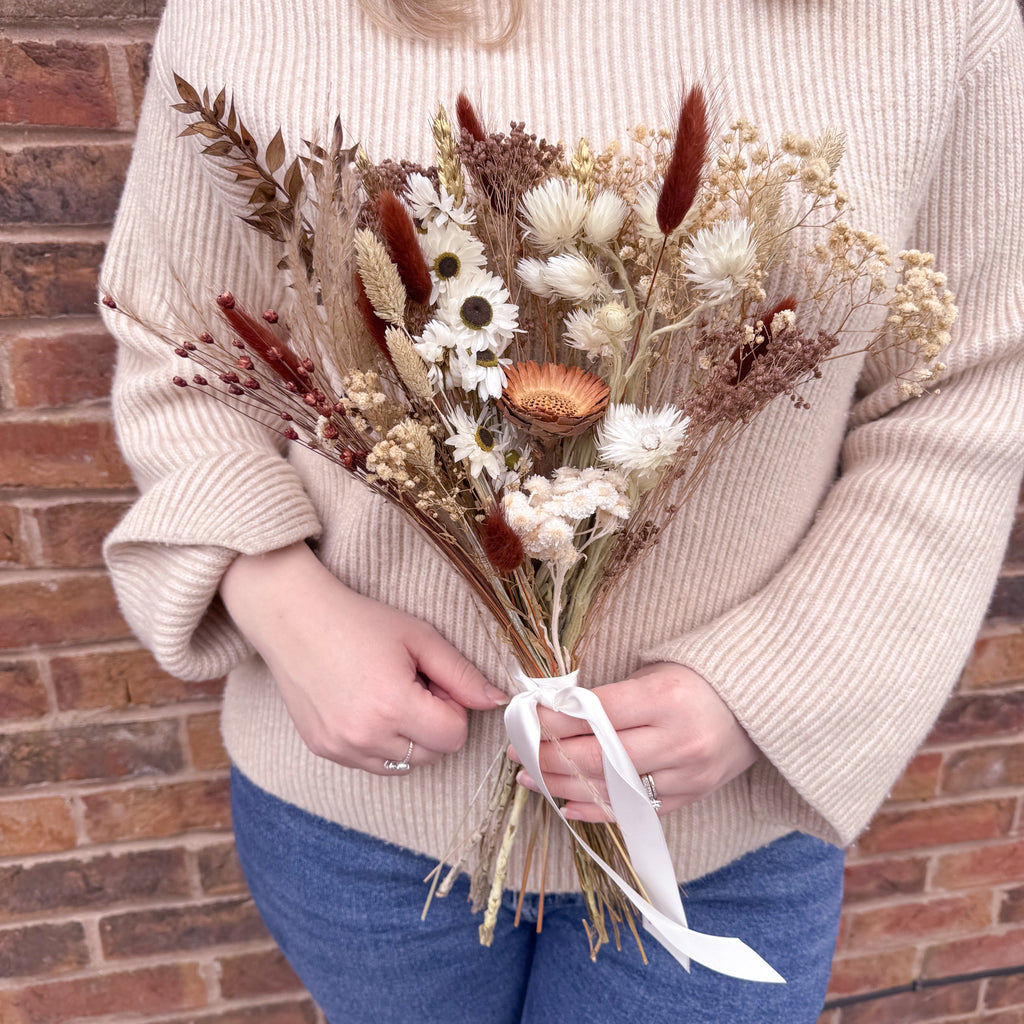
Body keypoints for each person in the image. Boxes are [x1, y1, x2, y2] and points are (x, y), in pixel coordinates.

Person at [100, 0, 1024, 1021]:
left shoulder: (939, 20)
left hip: (722, 826)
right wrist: (278, 595)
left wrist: (766, 682)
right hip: (366, 806)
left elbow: (965, 389)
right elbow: (180, 338)